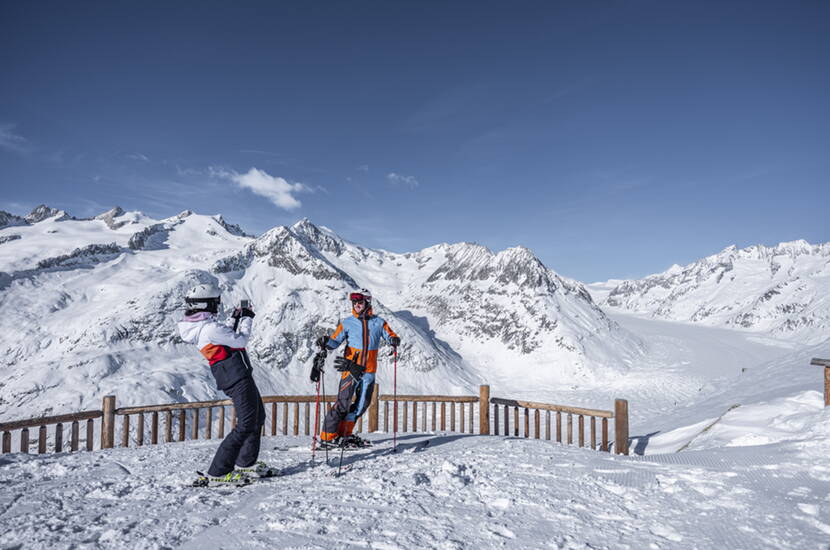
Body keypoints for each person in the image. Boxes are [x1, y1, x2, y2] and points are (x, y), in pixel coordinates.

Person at [177, 283, 271, 486]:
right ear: (207, 304)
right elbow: (239, 341)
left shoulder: (205, 326)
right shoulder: (210, 328)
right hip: (236, 377)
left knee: (257, 417)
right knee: (246, 423)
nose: (218, 306)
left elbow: (224, 334)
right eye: (216, 302)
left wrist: (235, 318)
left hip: (236, 375)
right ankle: (219, 471)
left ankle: (246, 463)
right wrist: (246, 318)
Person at [317, 288, 400, 448]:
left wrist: (394, 340)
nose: (356, 305)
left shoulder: (379, 322)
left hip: (369, 372)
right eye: (354, 302)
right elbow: (334, 342)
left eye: (360, 302)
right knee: (342, 404)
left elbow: (390, 335)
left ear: (367, 302)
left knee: (362, 405)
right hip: (350, 370)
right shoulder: (347, 323)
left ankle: (344, 435)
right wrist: (326, 341)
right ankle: (327, 438)